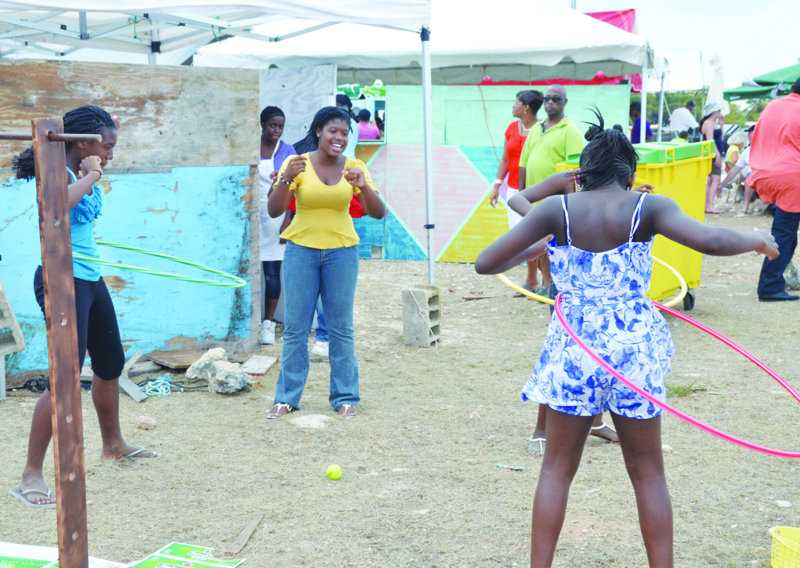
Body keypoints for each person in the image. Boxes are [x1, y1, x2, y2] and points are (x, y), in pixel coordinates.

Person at [474, 114, 778, 568]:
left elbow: (486, 263)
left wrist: (536, 248)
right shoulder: (645, 207)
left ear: (583, 172)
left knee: (557, 469)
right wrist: (757, 238)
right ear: (630, 174)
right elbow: (711, 240)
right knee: (649, 473)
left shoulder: (557, 210)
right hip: (632, 349)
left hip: (576, 351)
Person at [9, 106, 159, 508]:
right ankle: (30, 475)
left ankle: (113, 444)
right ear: (82, 142)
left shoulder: (81, 170)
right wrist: (93, 175)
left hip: (90, 278)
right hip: (60, 279)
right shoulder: (56, 169)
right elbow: (54, 208)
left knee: (110, 364)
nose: (110, 154)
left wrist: (92, 174)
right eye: (106, 146)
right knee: (64, 377)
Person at [266, 106, 385, 419]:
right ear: (318, 131)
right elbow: (274, 210)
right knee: (295, 328)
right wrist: (285, 180)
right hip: (301, 251)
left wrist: (361, 185)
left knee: (340, 328)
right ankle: (286, 398)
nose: (339, 138)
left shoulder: (355, 166)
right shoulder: (298, 164)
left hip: (341, 253)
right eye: (333, 131)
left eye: (345, 133)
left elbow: (378, 211)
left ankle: (346, 397)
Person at [517, 85, 585, 454]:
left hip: (566, 226)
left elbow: (575, 179)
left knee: (585, 353)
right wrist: (538, 214)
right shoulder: (537, 129)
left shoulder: (570, 132)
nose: (552, 103)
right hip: (550, 219)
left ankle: (595, 422)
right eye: (549, 99)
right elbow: (524, 179)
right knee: (560, 344)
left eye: (558, 99)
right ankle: (543, 428)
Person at [749, 78, 800, 302]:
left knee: (786, 232)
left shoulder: (773, 106)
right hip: (792, 175)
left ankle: (775, 279)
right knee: (784, 234)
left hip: (765, 172)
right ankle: (769, 287)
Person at [489, 90, 544, 296]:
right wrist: (497, 185)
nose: (513, 106)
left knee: (535, 237)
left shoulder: (541, 130)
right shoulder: (512, 128)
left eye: (516, 103)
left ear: (526, 108)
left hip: (535, 191)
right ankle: (533, 281)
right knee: (522, 237)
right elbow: (505, 159)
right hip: (513, 190)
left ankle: (542, 282)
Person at [258, 106, 296, 345]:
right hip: (251, 215)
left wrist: (288, 220)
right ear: (262, 124)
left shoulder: (289, 151)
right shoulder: (249, 147)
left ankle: (268, 324)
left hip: (276, 219)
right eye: (272, 125)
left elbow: (294, 187)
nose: (277, 130)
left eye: (280, 126)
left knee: (272, 274)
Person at [700, 101, 725, 214]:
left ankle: (707, 204)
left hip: (715, 152)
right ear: (713, 111)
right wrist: (717, 154)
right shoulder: (709, 123)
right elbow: (710, 140)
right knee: (714, 179)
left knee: (712, 180)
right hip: (713, 153)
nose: (720, 112)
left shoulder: (711, 123)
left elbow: (721, 138)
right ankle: (709, 206)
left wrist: (721, 125)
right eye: (719, 110)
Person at [720, 129, 753, 212]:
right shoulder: (736, 149)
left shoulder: (731, 147)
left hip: (733, 172)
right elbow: (735, 161)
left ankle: (745, 202)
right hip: (739, 173)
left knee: (748, 177)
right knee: (748, 177)